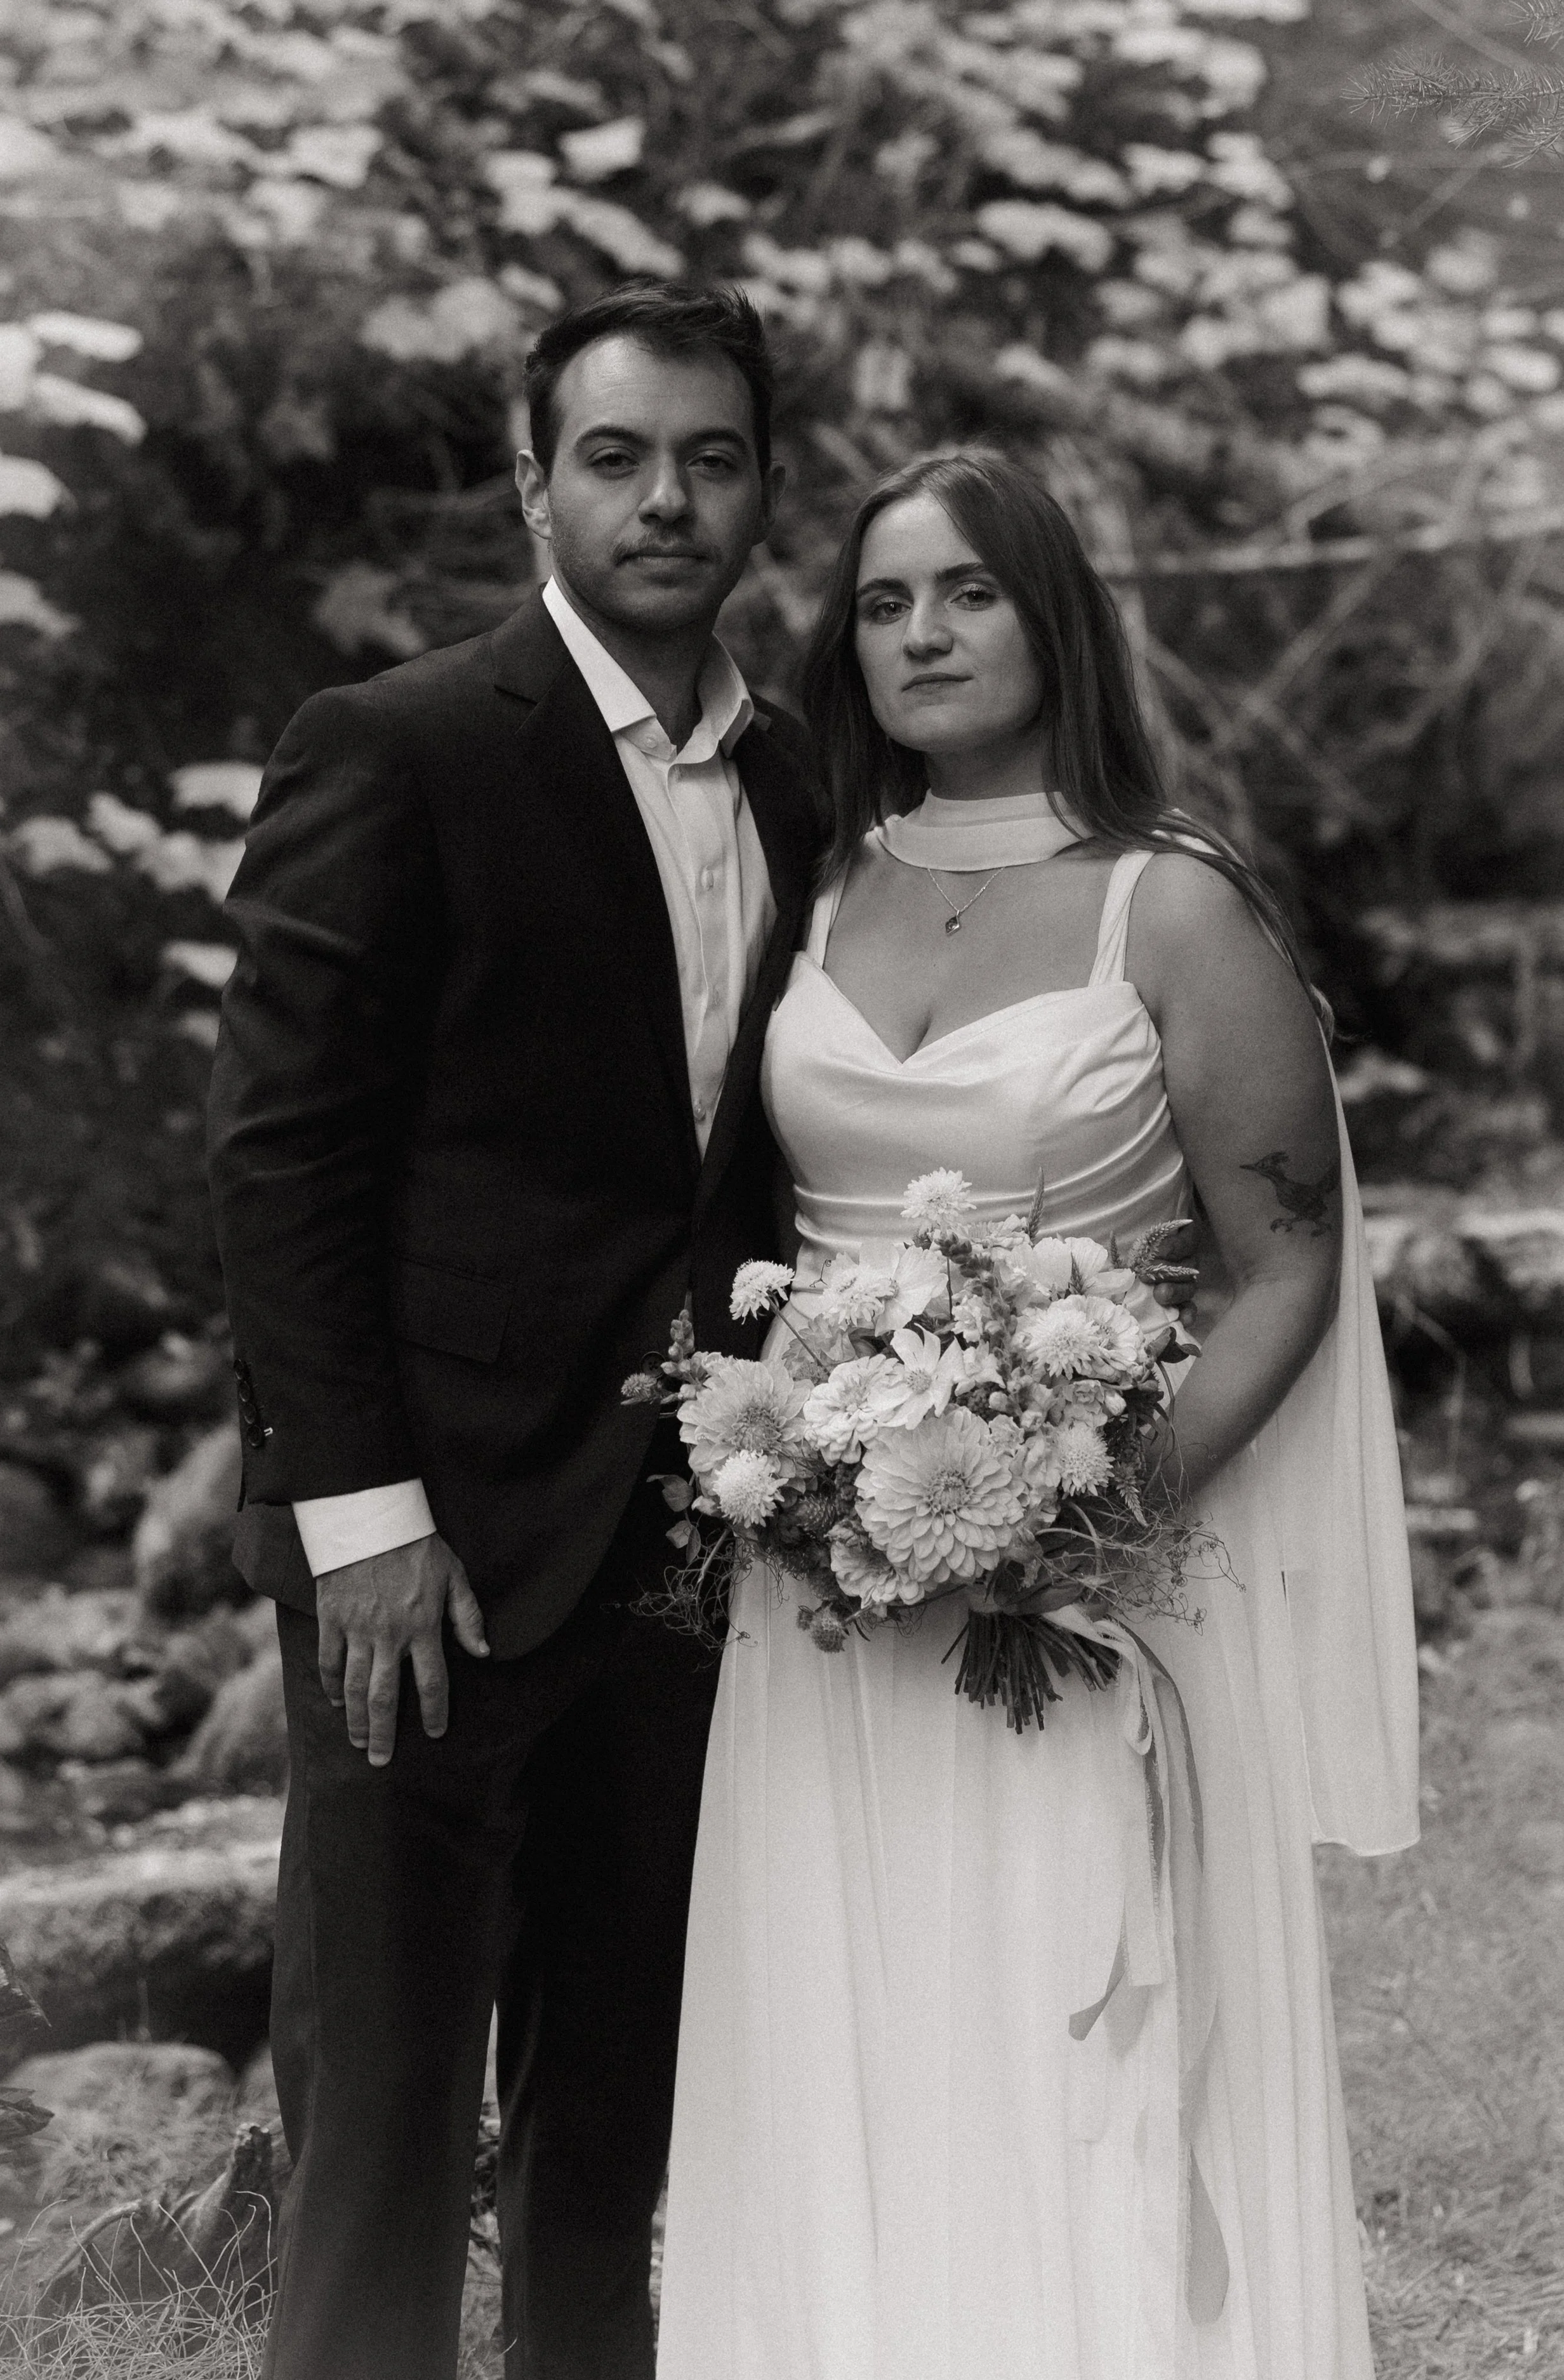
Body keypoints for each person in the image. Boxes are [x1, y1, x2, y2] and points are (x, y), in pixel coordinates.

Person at [656, 449, 1421, 2380]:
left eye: (967, 593)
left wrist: (1091, 1502)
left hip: (1085, 1575)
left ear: (1049, 613)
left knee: (1062, 2013)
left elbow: (1286, 1261)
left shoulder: (1168, 905)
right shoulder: (816, 879)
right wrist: (797, 1457)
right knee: (852, 2015)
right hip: (825, 1586)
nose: (920, 632)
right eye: (887, 600)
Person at [206, 282, 830, 2380]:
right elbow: (280, 1169)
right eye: (617, 454)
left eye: (712, 457)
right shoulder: (393, 748)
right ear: (532, 481)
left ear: (761, 486)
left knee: (617, 2118)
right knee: (380, 2110)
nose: (667, 499)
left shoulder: (802, 786)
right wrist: (357, 1520)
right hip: (431, 1551)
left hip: (684, 1544)